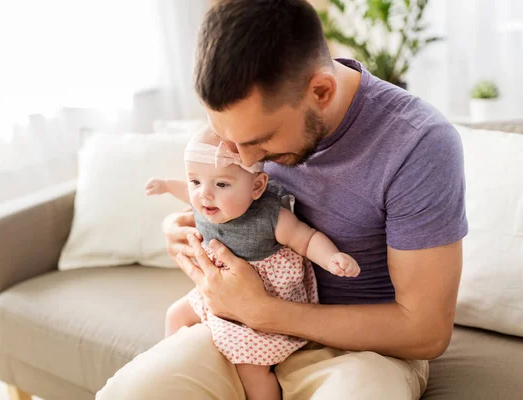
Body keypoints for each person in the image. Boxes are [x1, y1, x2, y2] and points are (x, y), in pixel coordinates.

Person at [97, 0, 467, 398]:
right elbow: (220, 198)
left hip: (366, 352)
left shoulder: (419, 143)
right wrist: (185, 225)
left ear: (321, 91)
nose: (246, 161)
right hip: (235, 330)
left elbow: (425, 331)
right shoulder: (249, 120)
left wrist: (266, 313)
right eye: (230, 140)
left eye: (260, 143)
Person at [145, 131, 360, 400]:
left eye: (222, 184)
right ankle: (171, 367)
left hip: (262, 309)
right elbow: (188, 193)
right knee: (175, 314)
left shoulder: (271, 218)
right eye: (195, 181)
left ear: (257, 187)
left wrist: (331, 258)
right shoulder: (203, 203)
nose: (205, 195)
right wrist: (166, 185)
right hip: (215, 294)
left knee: (250, 369)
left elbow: (306, 239)